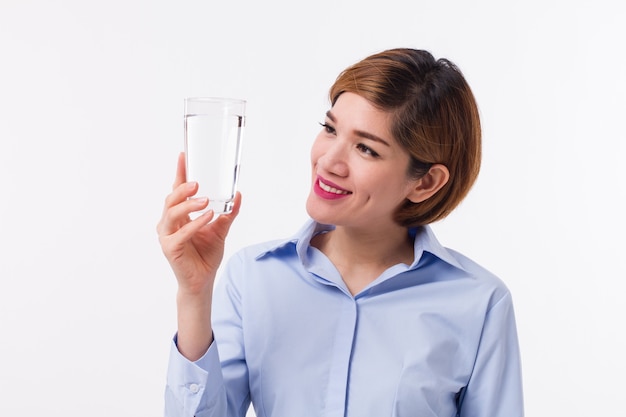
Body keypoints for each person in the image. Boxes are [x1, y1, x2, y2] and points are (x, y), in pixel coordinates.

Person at [157, 48, 524, 417]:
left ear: (426, 182)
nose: (329, 162)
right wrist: (194, 294)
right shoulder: (252, 278)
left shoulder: (480, 304)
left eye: (366, 149)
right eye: (330, 129)